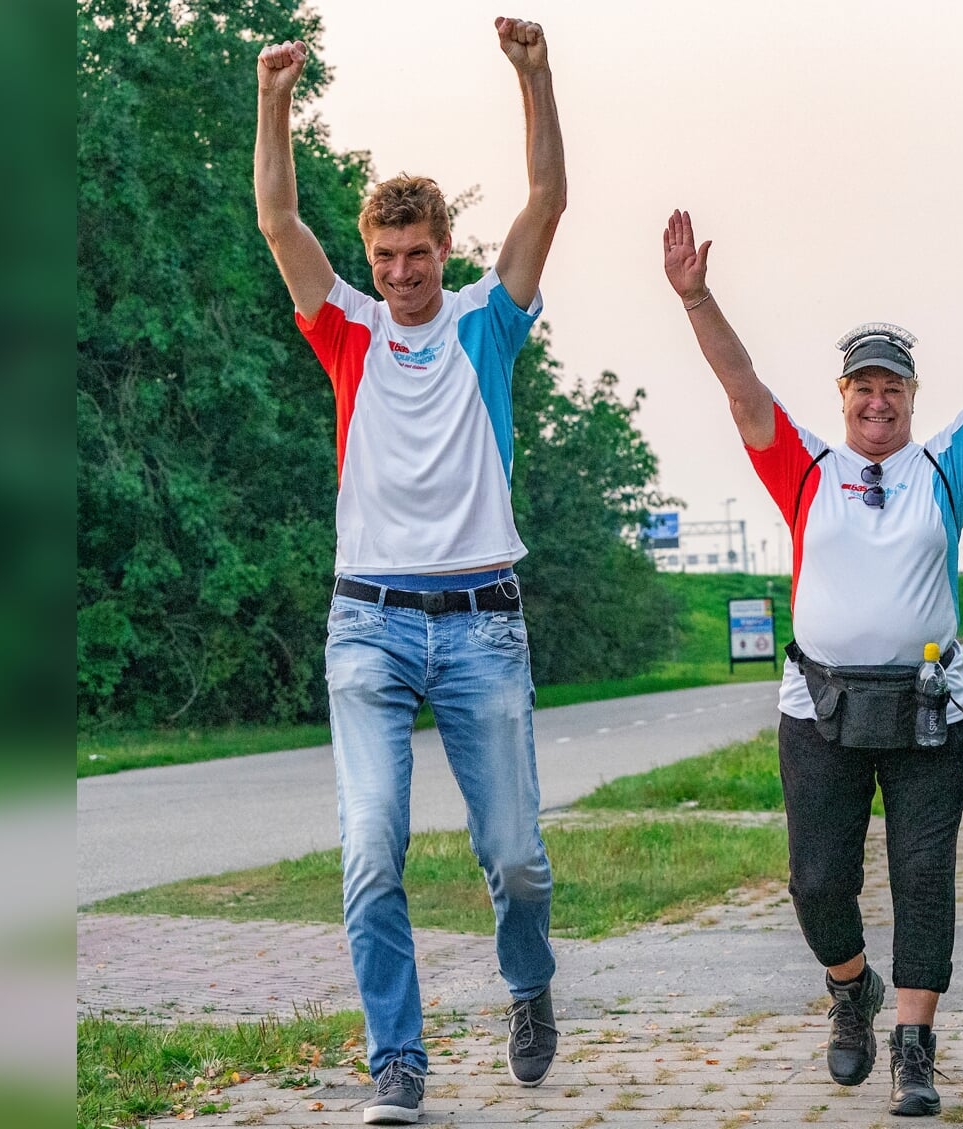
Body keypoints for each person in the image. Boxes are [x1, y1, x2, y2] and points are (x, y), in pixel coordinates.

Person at [660, 208, 963, 1117]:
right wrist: (697, 296)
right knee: (819, 879)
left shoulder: (945, 467)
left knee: (923, 873)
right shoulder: (806, 468)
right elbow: (742, 387)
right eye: (863, 385)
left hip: (929, 708)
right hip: (820, 706)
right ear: (844, 392)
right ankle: (850, 988)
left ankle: (914, 1042)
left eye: (892, 386)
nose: (877, 401)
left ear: (910, 392)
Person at [253, 18, 567, 1124]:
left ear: (443, 249)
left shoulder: (489, 322)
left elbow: (545, 206)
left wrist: (535, 75)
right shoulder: (344, 326)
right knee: (371, 847)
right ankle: (400, 1057)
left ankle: (529, 986)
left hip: (483, 622)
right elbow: (279, 219)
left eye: (416, 255)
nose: (399, 274)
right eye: (383, 258)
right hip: (368, 625)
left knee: (517, 858)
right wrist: (274, 99)